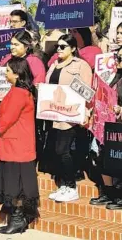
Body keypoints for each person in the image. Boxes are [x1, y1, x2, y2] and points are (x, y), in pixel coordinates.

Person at [0, 57, 39, 234]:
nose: (5, 73)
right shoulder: (20, 90)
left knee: (15, 184)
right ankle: (16, 218)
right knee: (16, 183)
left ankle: (18, 219)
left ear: (17, 74)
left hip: (16, 146)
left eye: (8, 71)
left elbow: (8, 118)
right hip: (16, 144)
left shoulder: (19, 93)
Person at [44, 34, 92, 202]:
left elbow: (87, 92)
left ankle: (72, 186)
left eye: (63, 46)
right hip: (54, 114)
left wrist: (85, 112)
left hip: (71, 115)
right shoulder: (53, 65)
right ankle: (64, 185)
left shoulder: (81, 65)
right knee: (56, 152)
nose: (59, 49)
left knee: (63, 150)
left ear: (73, 48)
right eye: (58, 46)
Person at [89, 37, 122, 210]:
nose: (118, 61)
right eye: (117, 58)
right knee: (104, 158)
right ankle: (108, 193)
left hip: (118, 124)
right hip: (107, 126)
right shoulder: (113, 76)